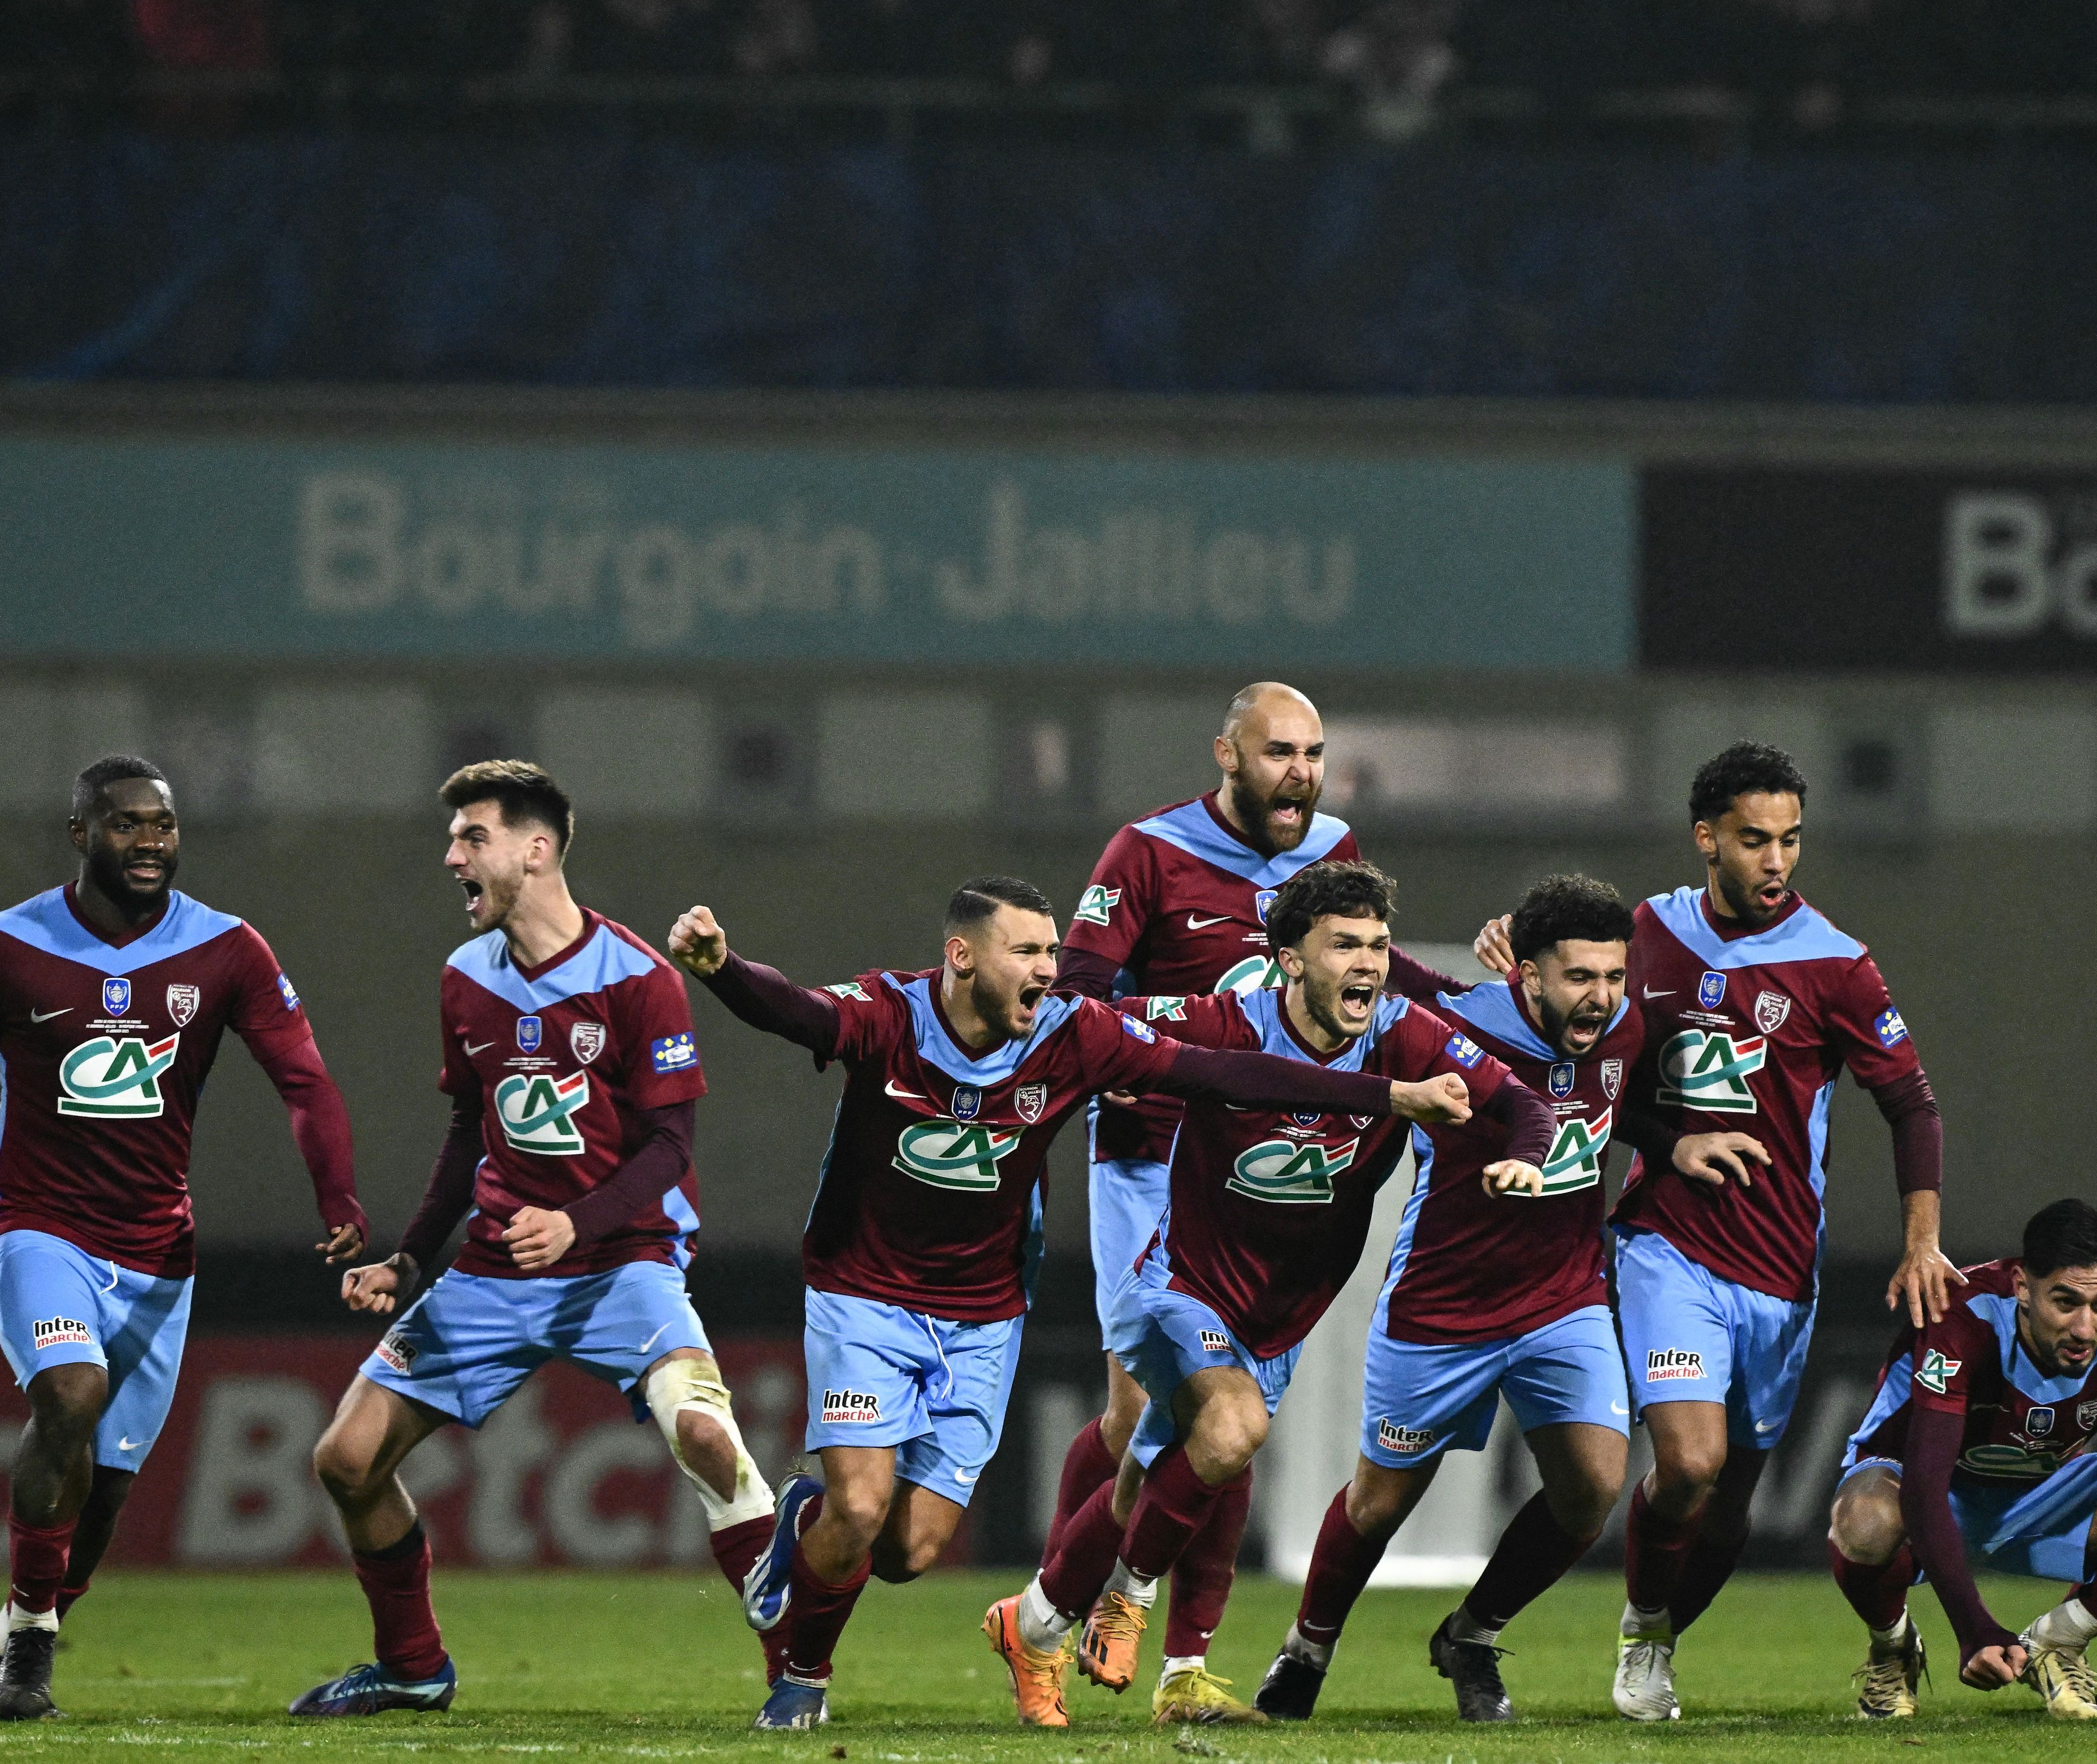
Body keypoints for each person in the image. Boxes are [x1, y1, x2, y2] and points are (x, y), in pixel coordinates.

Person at [665, 876, 1471, 1732]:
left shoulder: (1074, 1034)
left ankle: (809, 1515)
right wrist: (722, 970)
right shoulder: (888, 1014)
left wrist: (1387, 1095)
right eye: (1028, 952)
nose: (1049, 969)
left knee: (906, 1552)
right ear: (963, 957)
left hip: (984, 1313)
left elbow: (1225, 1070)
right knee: (862, 1508)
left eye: (1053, 951)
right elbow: (793, 1011)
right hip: (863, 1294)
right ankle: (803, 1676)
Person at [990, 860, 1554, 1727]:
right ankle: (1128, 1599)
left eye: (1376, 945)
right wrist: (1036, 1005)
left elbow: (1522, 1102)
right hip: (1183, 1286)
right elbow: (1106, 1024)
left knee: (1151, 1481)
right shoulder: (1228, 1021)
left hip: (1279, 1317)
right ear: (1289, 959)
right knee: (1233, 1430)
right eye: (1343, 946)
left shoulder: (1406, 1031)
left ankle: (1032, 1624)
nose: (1367, 963)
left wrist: (1526, 1151)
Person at [1477, 742, 1955, 1722]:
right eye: (1752, 839)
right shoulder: (1643, 934)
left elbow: (1911, 1107)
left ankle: (1659, 1627)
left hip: (1780, 1268)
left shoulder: (1836, 964)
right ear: (1706, 839)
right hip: (1665, 1245)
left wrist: (1919, 1242)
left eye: (1787, 839)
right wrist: (1667, 1139)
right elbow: (1580, 1047)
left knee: (1728, 1503)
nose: (1774, 859)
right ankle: (1643, 1632)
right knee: (1686, 1464)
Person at [289, 762, 778, 1716]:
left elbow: (671, 1146)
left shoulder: (638, 977)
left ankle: (794, 1672)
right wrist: (407, 1258)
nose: (452, 857)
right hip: (491, 1268)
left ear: (536, 849)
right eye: (455, 839)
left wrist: (578, 1221)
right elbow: (469, 1131)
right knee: (345, 1460)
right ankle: (412, 1666)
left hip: (621, 1259)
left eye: (472, 837)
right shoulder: (464, 977)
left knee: (706, 1438)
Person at [0, 754, 365, 1722]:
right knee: (69, 1395)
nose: (149, 840)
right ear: (81, 834)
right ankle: (33, 1650)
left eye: (161, 824)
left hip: (156, 1254)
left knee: (105, 1493)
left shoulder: (229, 949)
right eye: (125, 824)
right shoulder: (4, 946)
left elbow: (305, 1079)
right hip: (37, 1228)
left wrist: (338, 1201)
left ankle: (9, 1630)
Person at [1046, 681, 1428, 1693]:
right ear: (1226, 755)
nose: (1298, 771)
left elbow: (1375, 980)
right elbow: (1078, 1001)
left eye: (1311, 752)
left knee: (1230, 1410)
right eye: (1277, 752)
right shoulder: (1145, 852)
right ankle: (1050, 1614)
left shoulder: (1335, 849)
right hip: (1147, 1151)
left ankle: (1182, 1664)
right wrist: (1196, 1023)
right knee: (1141, 1421)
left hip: (1261, 1171)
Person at [1255, 873, 1644, 1723]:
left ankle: (1471, 1634)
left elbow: (1631, 1104)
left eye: (1614, 977)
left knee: (1592, 1486)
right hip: (1442, 1306)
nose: (1603, 998)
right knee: (1379, 1502)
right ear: (1529, 975)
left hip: (1562, 1302)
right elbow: (1369, 990)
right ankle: (1308, 1648)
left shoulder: (1627, 1023)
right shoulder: (1454, 1028)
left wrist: (1684, 1143)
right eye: (1581, 978)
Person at [1826, 1199, 2097, 1722]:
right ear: (2023, 1287)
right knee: (1865, 1520)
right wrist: (1974, 1628)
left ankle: (2057, 1641)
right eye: (2066, 1302)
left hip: (2041, 1492)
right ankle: (1892, 1648)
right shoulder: (1963, 1314)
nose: (2085, 1327)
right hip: (1929, 1492)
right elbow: (1924, 1488)